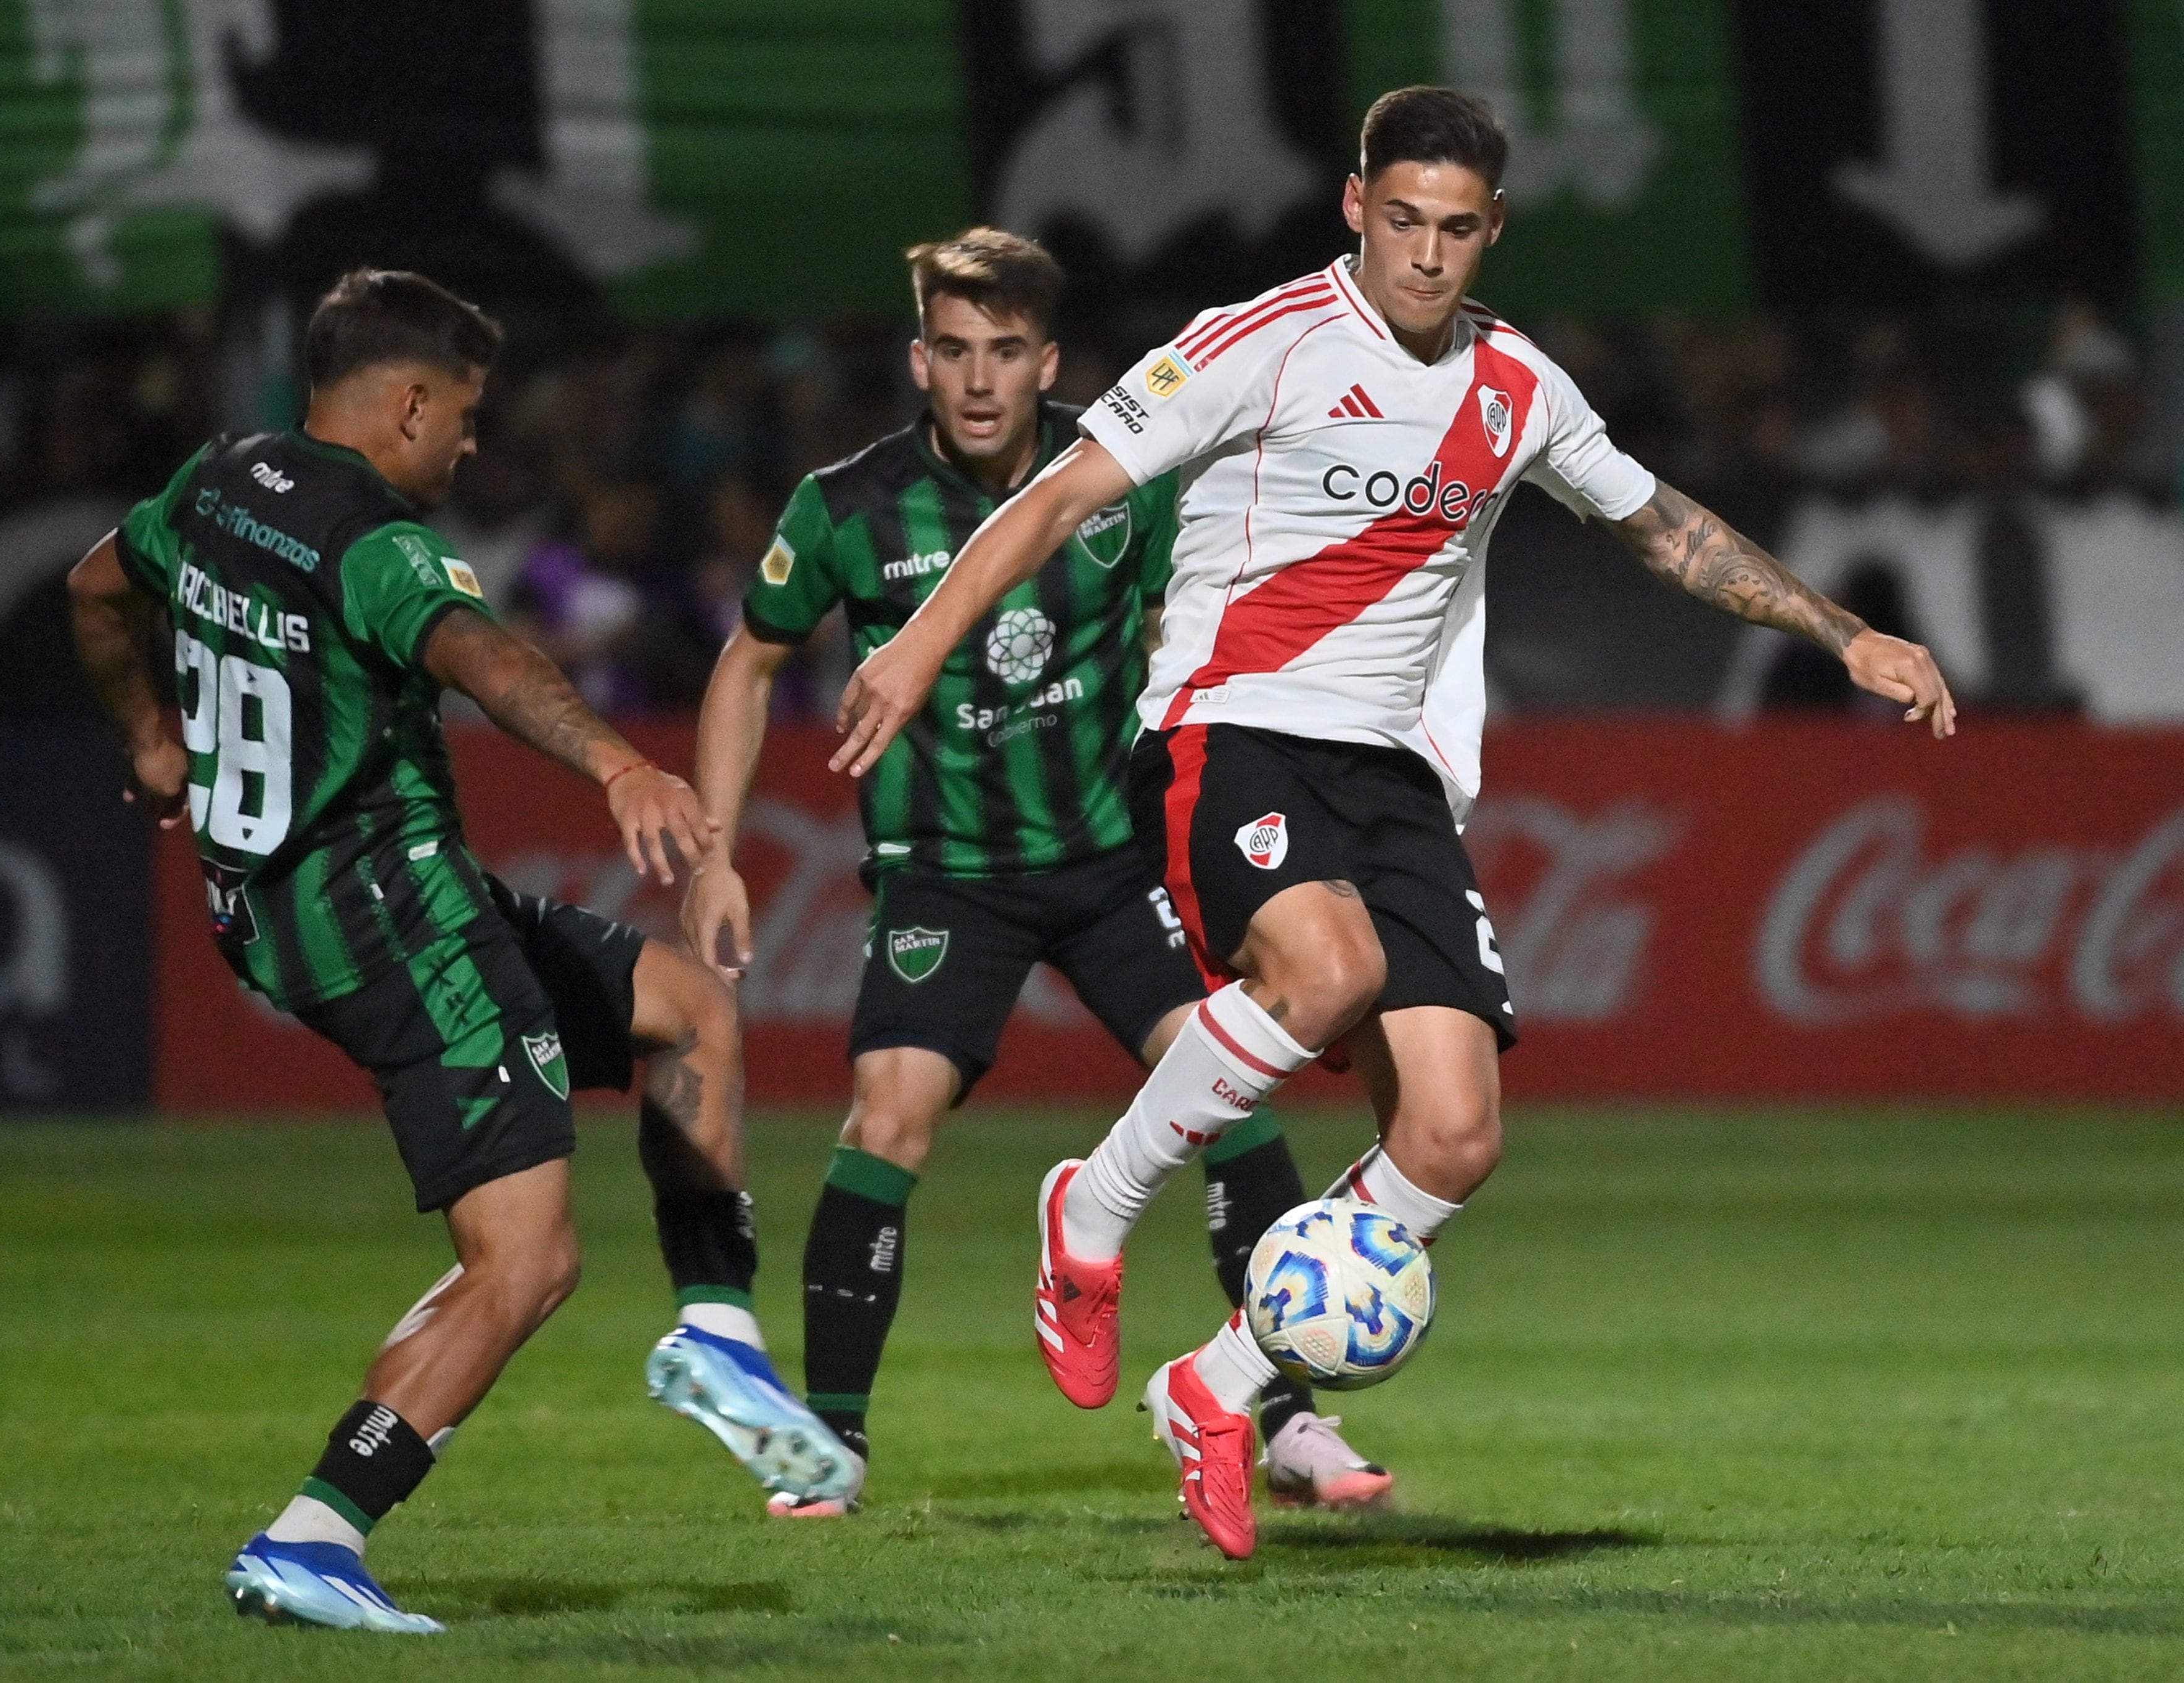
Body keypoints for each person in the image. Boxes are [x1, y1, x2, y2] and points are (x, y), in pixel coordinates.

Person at [831, 91, 1956, 1560]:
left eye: (1457, 230)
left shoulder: (1515, 385)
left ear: (1492, 232)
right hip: (1234, 728)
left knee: (1453, 1131)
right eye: (1402, 220)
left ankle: (1216, 1387)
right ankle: (1091, 1210)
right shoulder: (1260, 341)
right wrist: (917, 644)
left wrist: (1839, 628)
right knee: (1327, 971)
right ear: (1353, 205)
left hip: (1396, 778)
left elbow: (1659, 523)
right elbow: (1053, 500)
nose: (1424, 256)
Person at [67, 269, 862, 1634]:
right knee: (526, 1261)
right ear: (412, 400)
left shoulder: (214, 481)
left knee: (684, 1008)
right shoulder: (374, 540)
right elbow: (487, 660)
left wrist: (148, 734)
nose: (473, 444)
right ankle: (317, 1534)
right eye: (468, 415)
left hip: (290, 911)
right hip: (389, 916)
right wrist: (620, 765)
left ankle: (718, 1338)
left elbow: (93, 590)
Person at [684, 229, 1389, 1516]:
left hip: (1114, 857)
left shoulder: (1122, 472)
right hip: (943, 875)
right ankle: (830, 1443)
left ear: (1047, 361)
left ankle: (1280, 1413)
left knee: (1234, 1099)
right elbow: (748, 660)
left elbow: (1217, 601)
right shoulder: (845, 506)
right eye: (951, 350)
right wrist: (716, 848)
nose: (976, 379)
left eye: (1004, 352)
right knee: (887, 1117)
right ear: (917, 357)